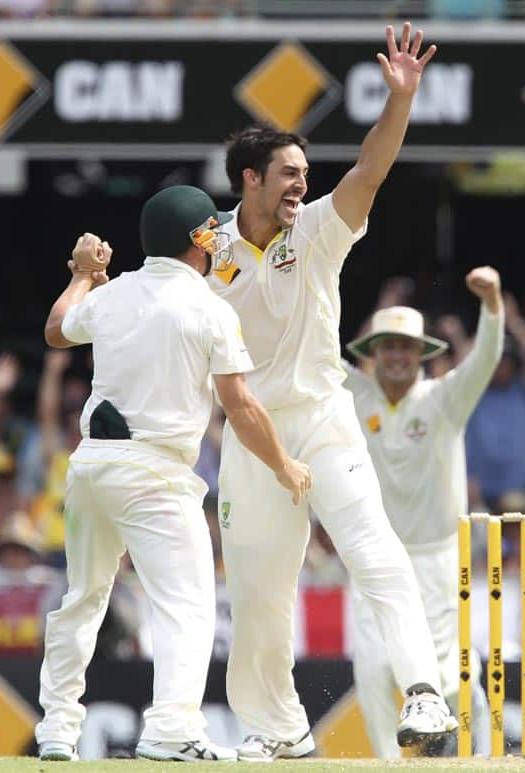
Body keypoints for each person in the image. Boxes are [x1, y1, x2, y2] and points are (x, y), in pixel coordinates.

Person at [208, 23, 457, 761]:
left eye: (304, 173)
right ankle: (280, 729)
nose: (301, 184)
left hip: (322, 416)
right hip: (250, 433)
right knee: (257, 598)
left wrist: (399, 101)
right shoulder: (208, 246)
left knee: (374, 550)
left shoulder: (317, 230)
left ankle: (424, 692)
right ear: (248, 178)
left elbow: (369, 172)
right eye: (287, 173)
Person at [34, 187, 311, 763]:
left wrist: (86, 273)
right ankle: (171, 729)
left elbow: (58, 329)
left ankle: (57, 729)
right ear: (196, 240)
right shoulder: (211, 308)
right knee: (186, 603)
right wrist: (285, 465)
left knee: (83, 598)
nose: (218, 240)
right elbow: (241, 407)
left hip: (92, 467)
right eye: (211, 230)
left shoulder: (119, 293)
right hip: (155, 474)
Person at [342, 266, 504, 758]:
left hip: (436, 558)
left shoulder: (443, 400)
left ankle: (478, 756)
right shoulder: (354, 394)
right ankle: (387, 767)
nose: (395, 356)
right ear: (372, 352)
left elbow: (484, 360)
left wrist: (492, 303)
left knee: (453, 678)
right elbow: (313, 348)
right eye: (386, 346)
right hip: (373, 557)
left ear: (421, 354)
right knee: (371, 671)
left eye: (405, 347)